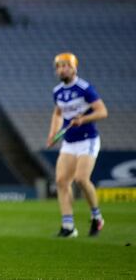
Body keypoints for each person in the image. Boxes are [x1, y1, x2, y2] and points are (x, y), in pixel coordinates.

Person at [48, 52, 108, 238]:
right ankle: (68, 226)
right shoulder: (57, 91)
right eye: (59, 66)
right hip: (69, 141)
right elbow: (58, 113)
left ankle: (96, 217)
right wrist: (53, 134)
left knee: (81, 179)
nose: (62, 69)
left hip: (87, 139)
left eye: (66, 65)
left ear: (74, 68)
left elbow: (102, 111)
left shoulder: (85, 88)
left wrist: (83, 119)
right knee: (61, 181)